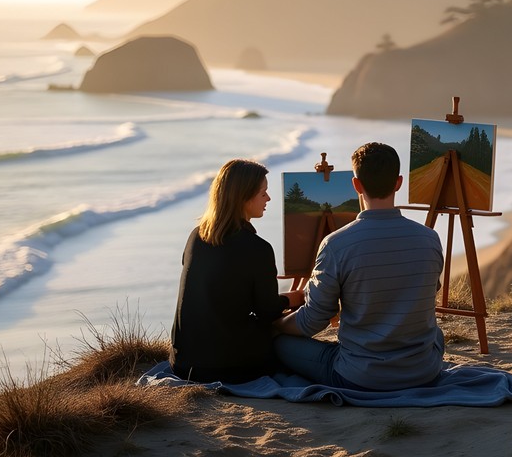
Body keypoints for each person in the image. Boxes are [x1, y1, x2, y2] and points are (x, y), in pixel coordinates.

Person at [273, 142, 445, 390]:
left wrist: (275, 324)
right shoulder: (430, 238)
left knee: (280, 344)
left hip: (360, 376)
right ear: (398, 183)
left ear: (355, 185)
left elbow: (312, 322)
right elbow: (430, 292)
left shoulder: (336, 244)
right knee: (436, 335)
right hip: (424, 372)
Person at [170, 158, 302, 383]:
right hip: (228, 367)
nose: (268, 198)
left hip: (183, 363)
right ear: (243, 198)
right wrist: (295, 297)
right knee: (284, 337)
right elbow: (268, 311)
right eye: (263, 193)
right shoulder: (258, 248)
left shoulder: (196, 236)